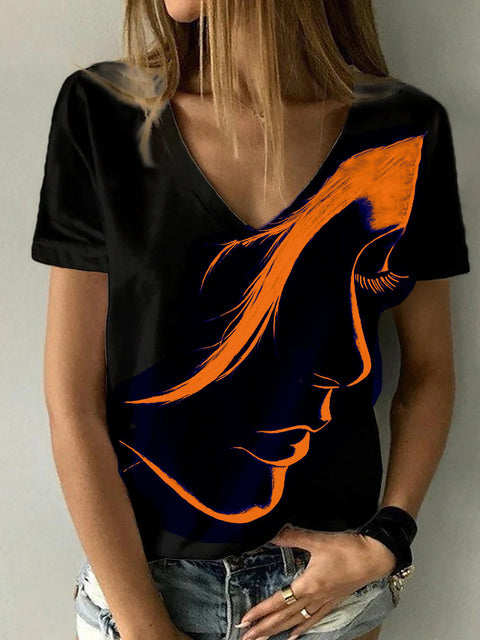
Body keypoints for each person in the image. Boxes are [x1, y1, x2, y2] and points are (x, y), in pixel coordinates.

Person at [30, 1, 470, 640]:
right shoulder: (102, 113)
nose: (349, 361)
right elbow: (72, 402)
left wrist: (387, 541)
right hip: (142, 588)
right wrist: (147, 628)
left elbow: (428, 371)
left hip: (323, 596)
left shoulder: (405, 128)